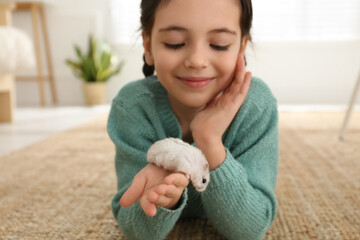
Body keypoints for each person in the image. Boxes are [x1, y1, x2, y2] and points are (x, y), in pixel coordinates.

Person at [107, 0, 279, 239]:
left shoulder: (256, 106)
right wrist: (161, 198)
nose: (197, 60)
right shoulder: (134, 107)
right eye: (175, 43)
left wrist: (209, 141)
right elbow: (134, 230)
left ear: (241, 47)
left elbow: (252, 229)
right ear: (148, 45)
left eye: (219, 45)